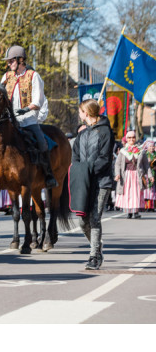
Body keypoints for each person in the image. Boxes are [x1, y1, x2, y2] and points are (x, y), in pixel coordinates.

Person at [0, 45, 58, 189]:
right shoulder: (6, 77)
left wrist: (25, 109)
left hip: (28, 119)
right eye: (8, 62)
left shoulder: (33, 76)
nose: (8, 64)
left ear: (21, 60)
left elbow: (38, 101)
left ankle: (48, 174)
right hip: (9, 120)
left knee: (41, 142)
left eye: (11, 61)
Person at [71, 99, 114, 270]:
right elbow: (75, 157)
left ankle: (94, 256)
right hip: (84, 181)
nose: (79, 114)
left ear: (86, 113)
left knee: (95, 219)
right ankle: (96, 245)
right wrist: (78, 171)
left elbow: (105, 159)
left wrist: (88, 171)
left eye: (80, 111)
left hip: (101, 181)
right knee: (82, 220)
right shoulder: (82, 134)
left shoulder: (105, 132)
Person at [114, 131, 149, 219]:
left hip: (137, 175)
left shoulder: (141, 151)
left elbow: (146, 165)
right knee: (127, 193)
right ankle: (128, 212)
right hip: (126, 175)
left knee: (136, 193)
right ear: (126, 139)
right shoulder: (123, 151)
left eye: (133, 137)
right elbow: (117, 164)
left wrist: (150, 176)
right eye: (129, 138)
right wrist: (117, 174)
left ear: (135, 138)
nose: (131, 139)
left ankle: (135, 212)